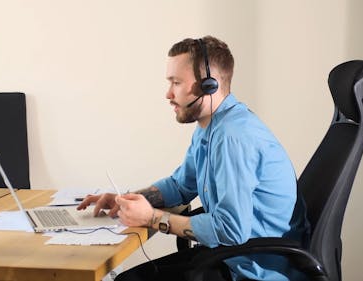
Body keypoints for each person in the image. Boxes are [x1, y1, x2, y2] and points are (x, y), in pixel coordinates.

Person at [77, 35, 309, 281]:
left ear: (210, 85)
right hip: (231, 256)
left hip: (254, 269)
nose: (168, 93)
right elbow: (181, 185)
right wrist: (128, 199)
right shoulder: (211, 127)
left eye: (176, 82)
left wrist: (152, 218)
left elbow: (230, 230)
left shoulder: (233, 137)